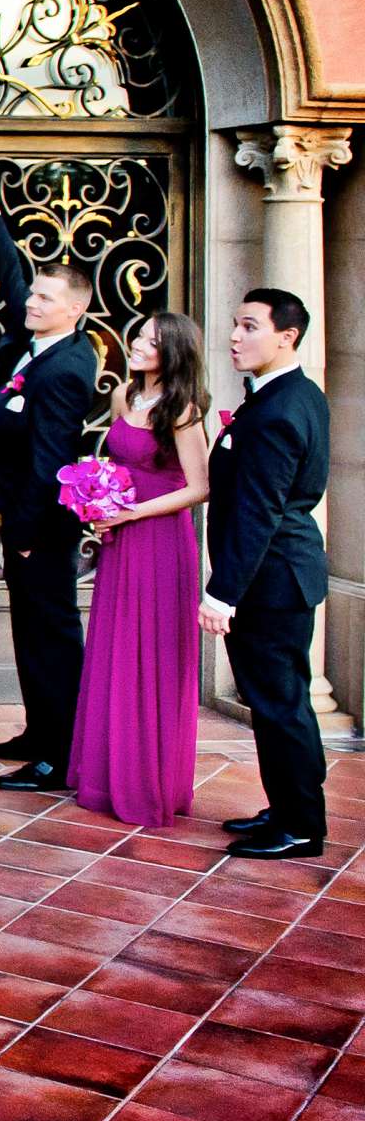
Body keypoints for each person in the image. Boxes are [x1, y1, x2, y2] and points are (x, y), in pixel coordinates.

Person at [0, 181, 98, 785]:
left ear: (74, 309)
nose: (31, 301)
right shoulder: (31, 343)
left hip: (46, 528)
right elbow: (11, 282)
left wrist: (27, 532)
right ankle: (40, 731)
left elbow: (52, 459)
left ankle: (61, 755)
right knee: (30, 631)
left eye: (45, 297)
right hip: (24, 521)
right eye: (34, 293)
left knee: (51, 636)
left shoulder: (66, 368)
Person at [66, 313, 208, 827]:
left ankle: (148, 779)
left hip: (162, 540)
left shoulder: (183, 409)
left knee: (152, 653)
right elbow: (117, 469)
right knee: (116, 647)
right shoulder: (125, 396)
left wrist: (133, 512)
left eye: (153, 340)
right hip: (121, 538)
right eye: (139, 336)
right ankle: (106, 772)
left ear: (174, 350)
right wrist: (100, 503)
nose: (139, 344)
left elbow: (199, 487)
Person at [205, 290, 332, 860]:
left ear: (288, 337)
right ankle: (288, 805)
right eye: (235, 324)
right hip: (278, 575)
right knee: (278, 700)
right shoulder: (286, 395)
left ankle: (302, 824)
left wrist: (222, 593)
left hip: (272, 580)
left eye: (250, 326)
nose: (235, 336)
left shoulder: (280, 409)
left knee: (281, 703)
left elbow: (259, 513)